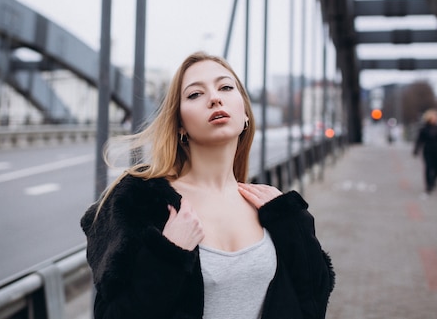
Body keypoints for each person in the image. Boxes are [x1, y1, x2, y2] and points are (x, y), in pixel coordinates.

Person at [80, 52, 335, 319]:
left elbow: (312, 301)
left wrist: (292, 221)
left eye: (225, 87)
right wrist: (167, 256)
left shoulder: (269, 209)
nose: (214, 98)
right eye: (194, 95)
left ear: (245, 113)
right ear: (180, 125)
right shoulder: (141, 202)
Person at [413, 109, 437, 195]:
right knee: (428, 167)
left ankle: (434, 180)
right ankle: (429, 185)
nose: (435, 120)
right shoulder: (424, 128)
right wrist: (416, 150)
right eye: (433, 118)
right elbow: (419, 140)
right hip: (428, 150)